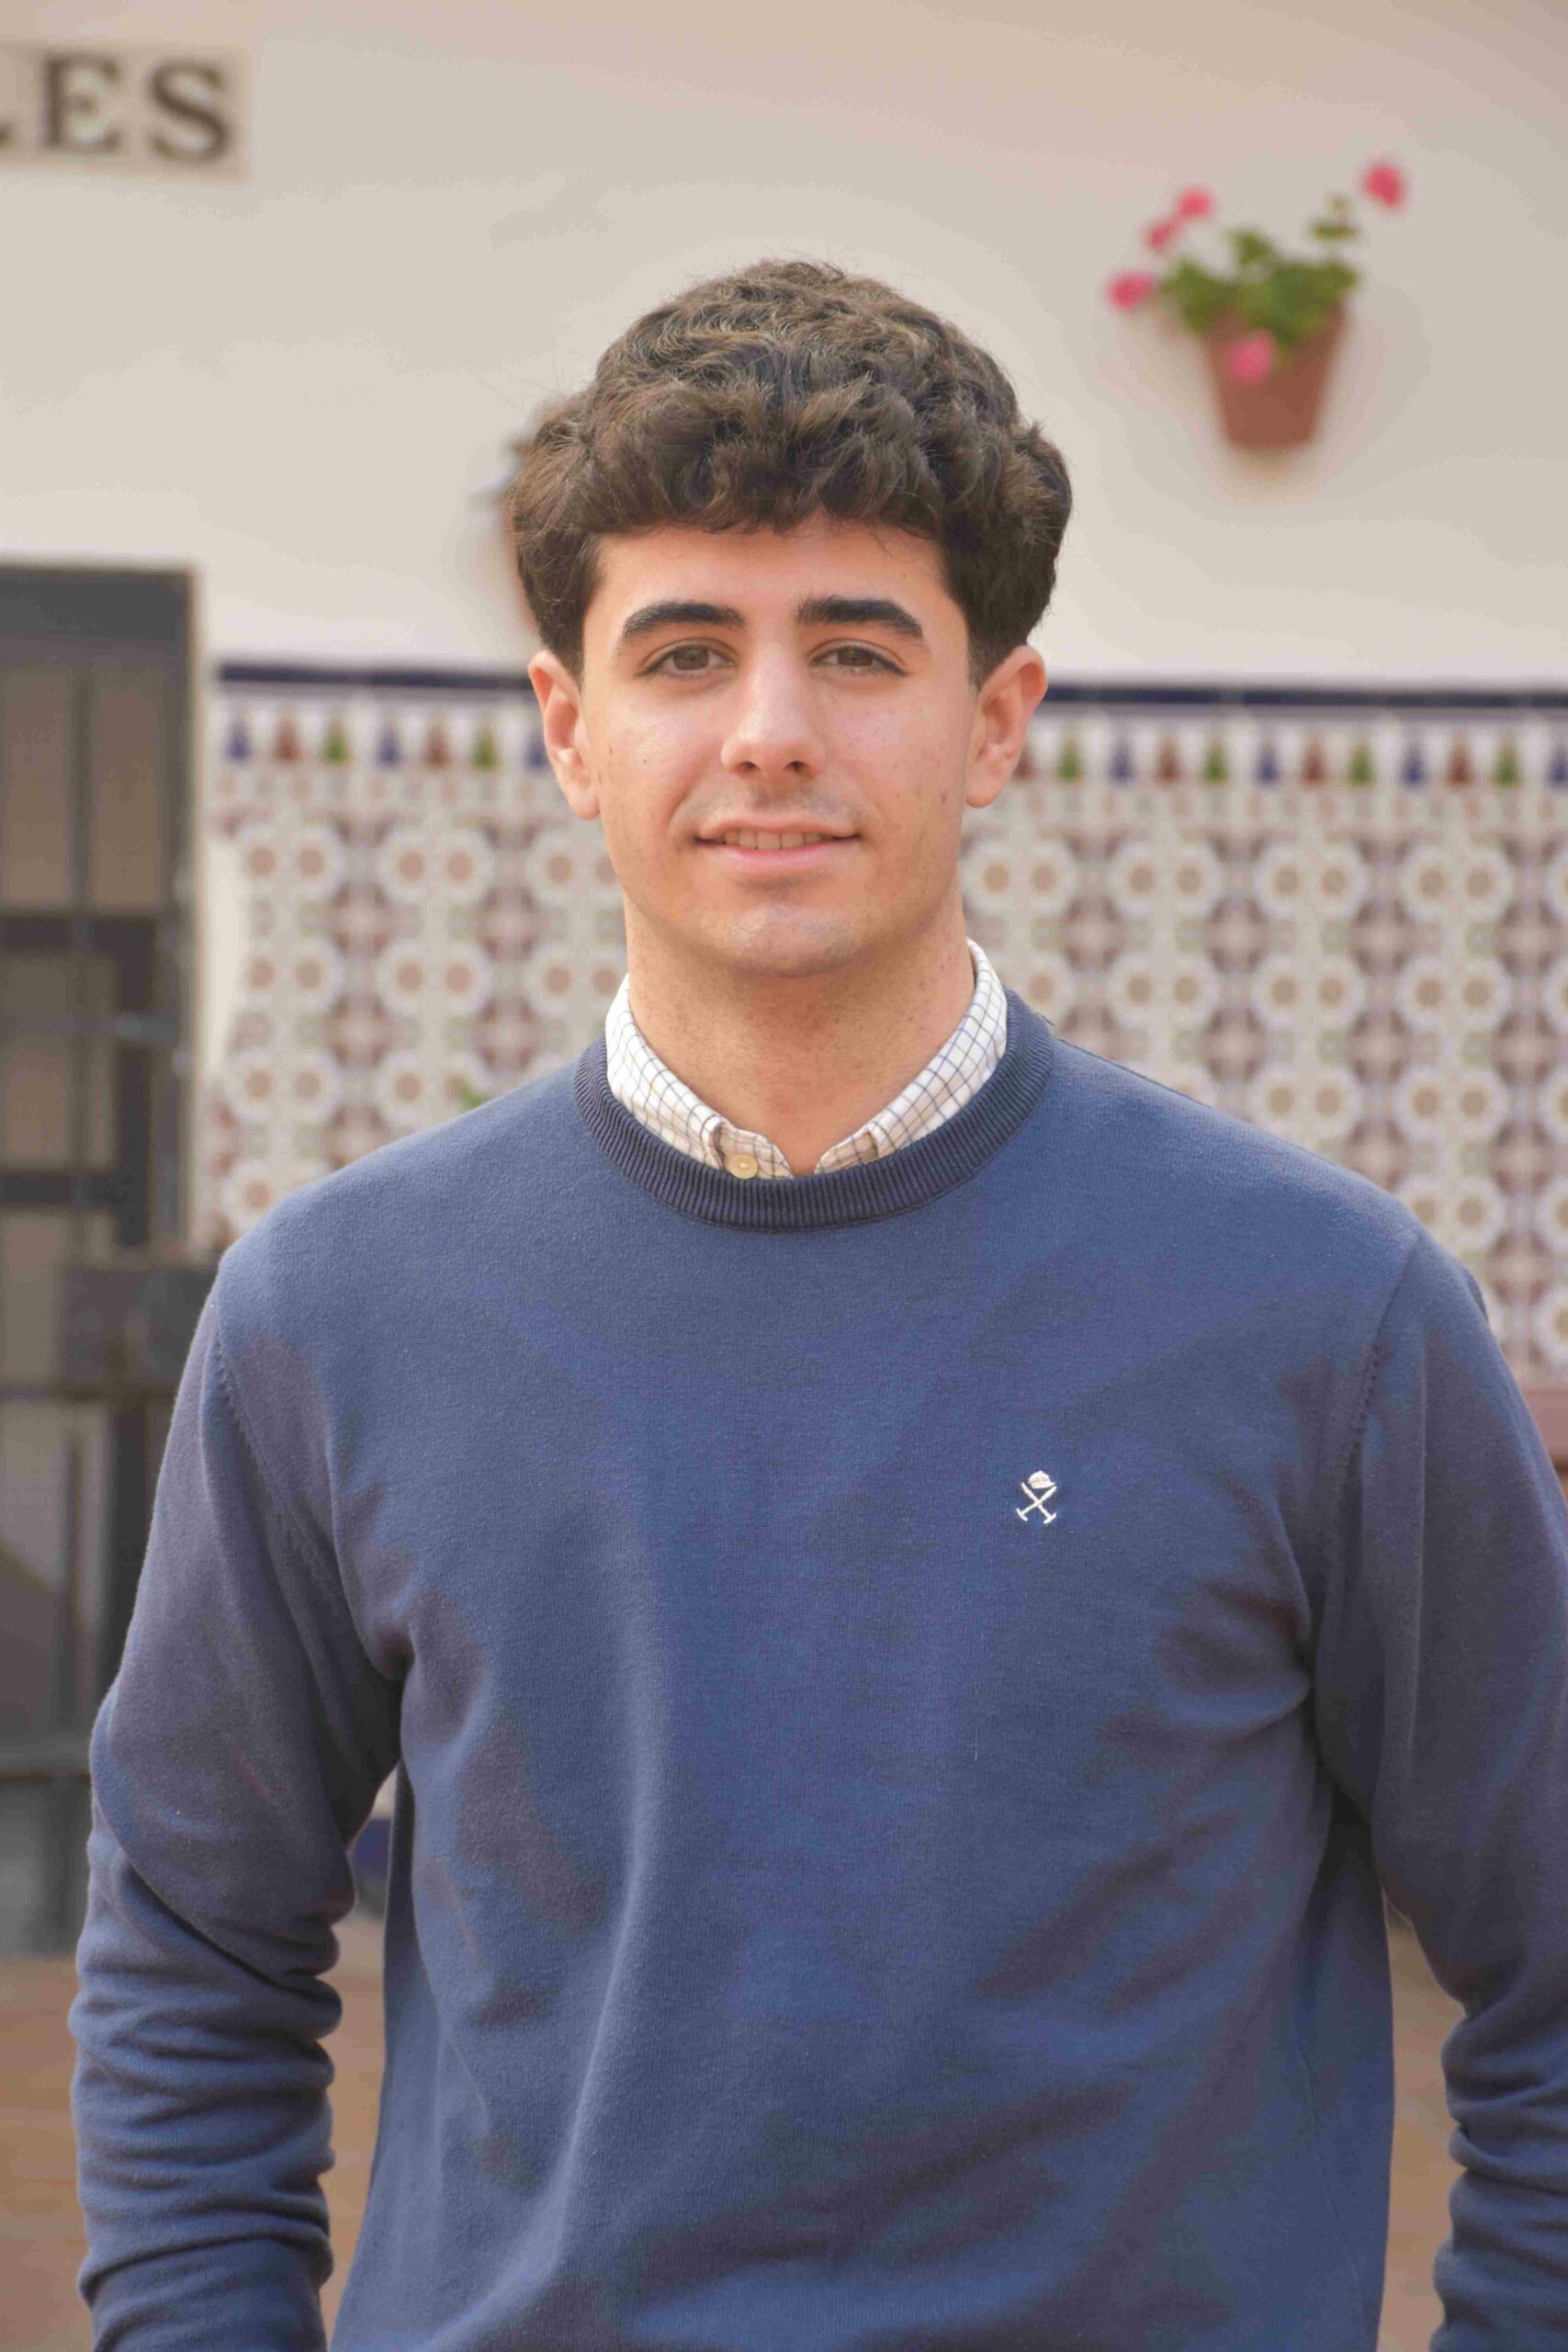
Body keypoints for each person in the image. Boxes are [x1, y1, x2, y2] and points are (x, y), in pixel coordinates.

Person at [70, 258, 1568, 2351]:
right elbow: (192, 1948)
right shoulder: (333, 1313)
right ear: (571, 728)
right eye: (686, 651)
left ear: (993, 721)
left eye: (856, 650)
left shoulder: (1327, 1315)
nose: (769, 730)